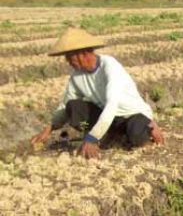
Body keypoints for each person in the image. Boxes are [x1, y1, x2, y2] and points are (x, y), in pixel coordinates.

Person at [30, 27, 164, 159]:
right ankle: (106, 135)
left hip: (131, 114)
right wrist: (50, 128)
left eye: (70, 57)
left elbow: (112, 105)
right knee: (73, 107)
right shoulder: (76, 76)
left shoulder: (109, 66)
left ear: (82, 53)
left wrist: (91, 138)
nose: (68, 62)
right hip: (106, 117)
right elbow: (65, 104)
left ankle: (148, 126)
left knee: (137, 137)